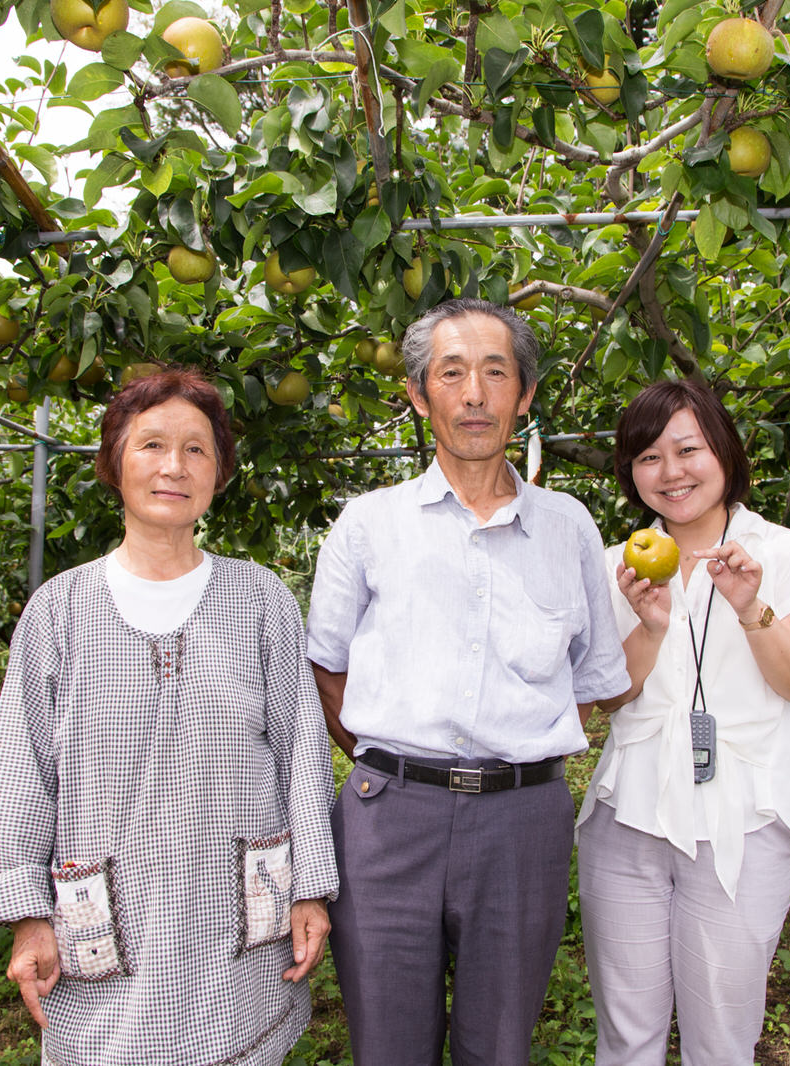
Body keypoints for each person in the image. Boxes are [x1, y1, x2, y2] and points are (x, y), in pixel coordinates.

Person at [0, 368, 338, 1066]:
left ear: (220, 472)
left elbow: (303, 758)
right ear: (114, 462)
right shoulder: (60, 611)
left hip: (231, 924)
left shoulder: (260, 601)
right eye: (152, 445)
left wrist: (311, 891)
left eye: (197, 449)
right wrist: (26, 918)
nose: (175, 466)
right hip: (108, 933)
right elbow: (21, 769)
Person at [306, 298, 631, 1066]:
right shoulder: (369, 524)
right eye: (452, 374)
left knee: (499, 1047)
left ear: (525, 395)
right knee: (388, 1045)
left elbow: (591, 678)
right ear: (420, 396)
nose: (475, 394)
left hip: (523, 823)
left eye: (496, 372)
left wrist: (518, 745)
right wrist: (394, 769)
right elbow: (326, 664)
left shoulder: (568, 527)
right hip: (388, 824)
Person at [576, 378, 790, 1065]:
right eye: (648, 457)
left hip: (744, 821)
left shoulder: (780, 554)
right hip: (628, 816)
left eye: (687, 449)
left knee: (722, 1039)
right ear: (632, 474)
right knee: (626, 1035)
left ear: (722, 450)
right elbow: (609, 698)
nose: (671, 471)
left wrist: (753, 609)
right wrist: (651, 628)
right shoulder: (617, 567)